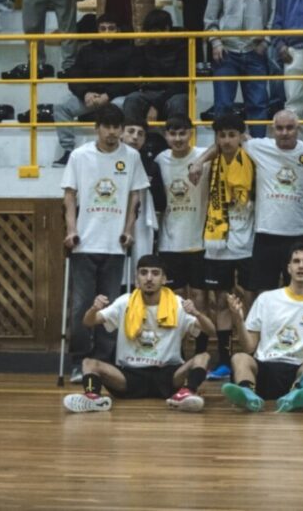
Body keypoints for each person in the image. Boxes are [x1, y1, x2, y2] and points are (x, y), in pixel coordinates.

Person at [192, 110, 303, 296]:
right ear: (272, 130)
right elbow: (225, 144)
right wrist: (199, 162)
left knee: (302, 291)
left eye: (289, 128)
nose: (285, 132)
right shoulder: (258, 147)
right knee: (262, 293)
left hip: (301, 233)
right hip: (265, 234)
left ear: (299, 128)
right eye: (279, 128)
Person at [61, 104, 149, 382]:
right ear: (96, 128)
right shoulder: (79, 155)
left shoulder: (131, 156)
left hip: (115, 246)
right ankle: (79, 360)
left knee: (110, 307)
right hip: (84, 244)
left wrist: (128, 230)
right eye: (107, 127)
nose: (112, 133)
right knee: (82, 306)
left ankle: (103, 360)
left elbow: (135, 198)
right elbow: (69, 196)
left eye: (116, 128)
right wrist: (72, 230)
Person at [62, 255, 215, 413]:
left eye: (155, 273)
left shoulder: (177, 303)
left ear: (164, 279)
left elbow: (210, 330)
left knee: (203, 357)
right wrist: (94, 308)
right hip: (129, 375)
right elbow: (89, 322)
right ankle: (92, 398)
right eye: (144, 273)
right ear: (136, 279)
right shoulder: (125, 302)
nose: (149, 278)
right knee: (89, 363)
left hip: (167, 375)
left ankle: (186, 393)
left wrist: (197, 313)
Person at [220, 245, 303, 412]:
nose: (300, 266)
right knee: (240, 357)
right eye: (296, 261)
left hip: (298, 371)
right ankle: (248, 394)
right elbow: (249, 347)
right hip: (264, 366)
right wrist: (239, 320)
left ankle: (298, 394)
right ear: (289, 268)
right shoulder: (266, 299)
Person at [199, 113, 256, 380]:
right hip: (217, 239)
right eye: (222, 135)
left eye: (232, 135)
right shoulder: (212, 160)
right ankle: (223, 360)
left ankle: (250, 358)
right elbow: (211, 151)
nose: (226, 140)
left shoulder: (254, 156)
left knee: (249, 300)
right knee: (221, 301)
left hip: (248, 240)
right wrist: (198, 162)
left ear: (242, 136)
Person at [153, 116, 211, 356]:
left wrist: (199, 162)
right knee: (173, 302)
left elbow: (220, 145)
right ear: (166, 136)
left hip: (198, 241)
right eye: (172, 134)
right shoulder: (160, 160)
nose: (177, 139)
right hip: (169, 243)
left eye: (182, 133)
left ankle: (201, 352)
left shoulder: (203, 155)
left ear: (191, 133)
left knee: (199, 300)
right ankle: (176, 351)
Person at [203, 0, 273, 133]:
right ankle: (223, 150)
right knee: (223, 106)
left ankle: (258, 150)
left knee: (258, 105)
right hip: (226, 51)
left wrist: (265, 41)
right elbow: (210, 15)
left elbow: (272, 16)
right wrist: (215, 41)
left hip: (255, 52)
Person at [53, 15, 138, 166]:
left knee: (126, 106)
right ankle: (68, 152)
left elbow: (131, 81)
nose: (107, 32)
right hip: (90, 97)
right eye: (103, 28)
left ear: (118, 30)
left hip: (115, 97)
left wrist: (108, 95)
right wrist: (85, 93)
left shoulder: (129, 50)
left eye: (111, 28)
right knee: (61, 107)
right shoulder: (86, 50)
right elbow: (74, 76)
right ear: (97, 30)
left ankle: (121, 149)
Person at [123, 10, 189, 122]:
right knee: (132, 99)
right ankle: (131, 137)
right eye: (149, 32)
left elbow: (181, 84)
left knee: (178, 102)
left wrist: (155, 105)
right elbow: (133, 76)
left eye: (155, 31)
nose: (152, 36)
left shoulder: (182, 47)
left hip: (173, 93)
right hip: (150, 91)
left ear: (167, 29)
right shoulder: (144, 49)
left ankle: (177, 137)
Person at [121, 118, 165, 263]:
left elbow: (160, 202)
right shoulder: (108, 160)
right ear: (121, 133)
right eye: (131, 131)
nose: (135, 137)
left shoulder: (151, 166)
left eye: (141, 134)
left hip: (140, 223)